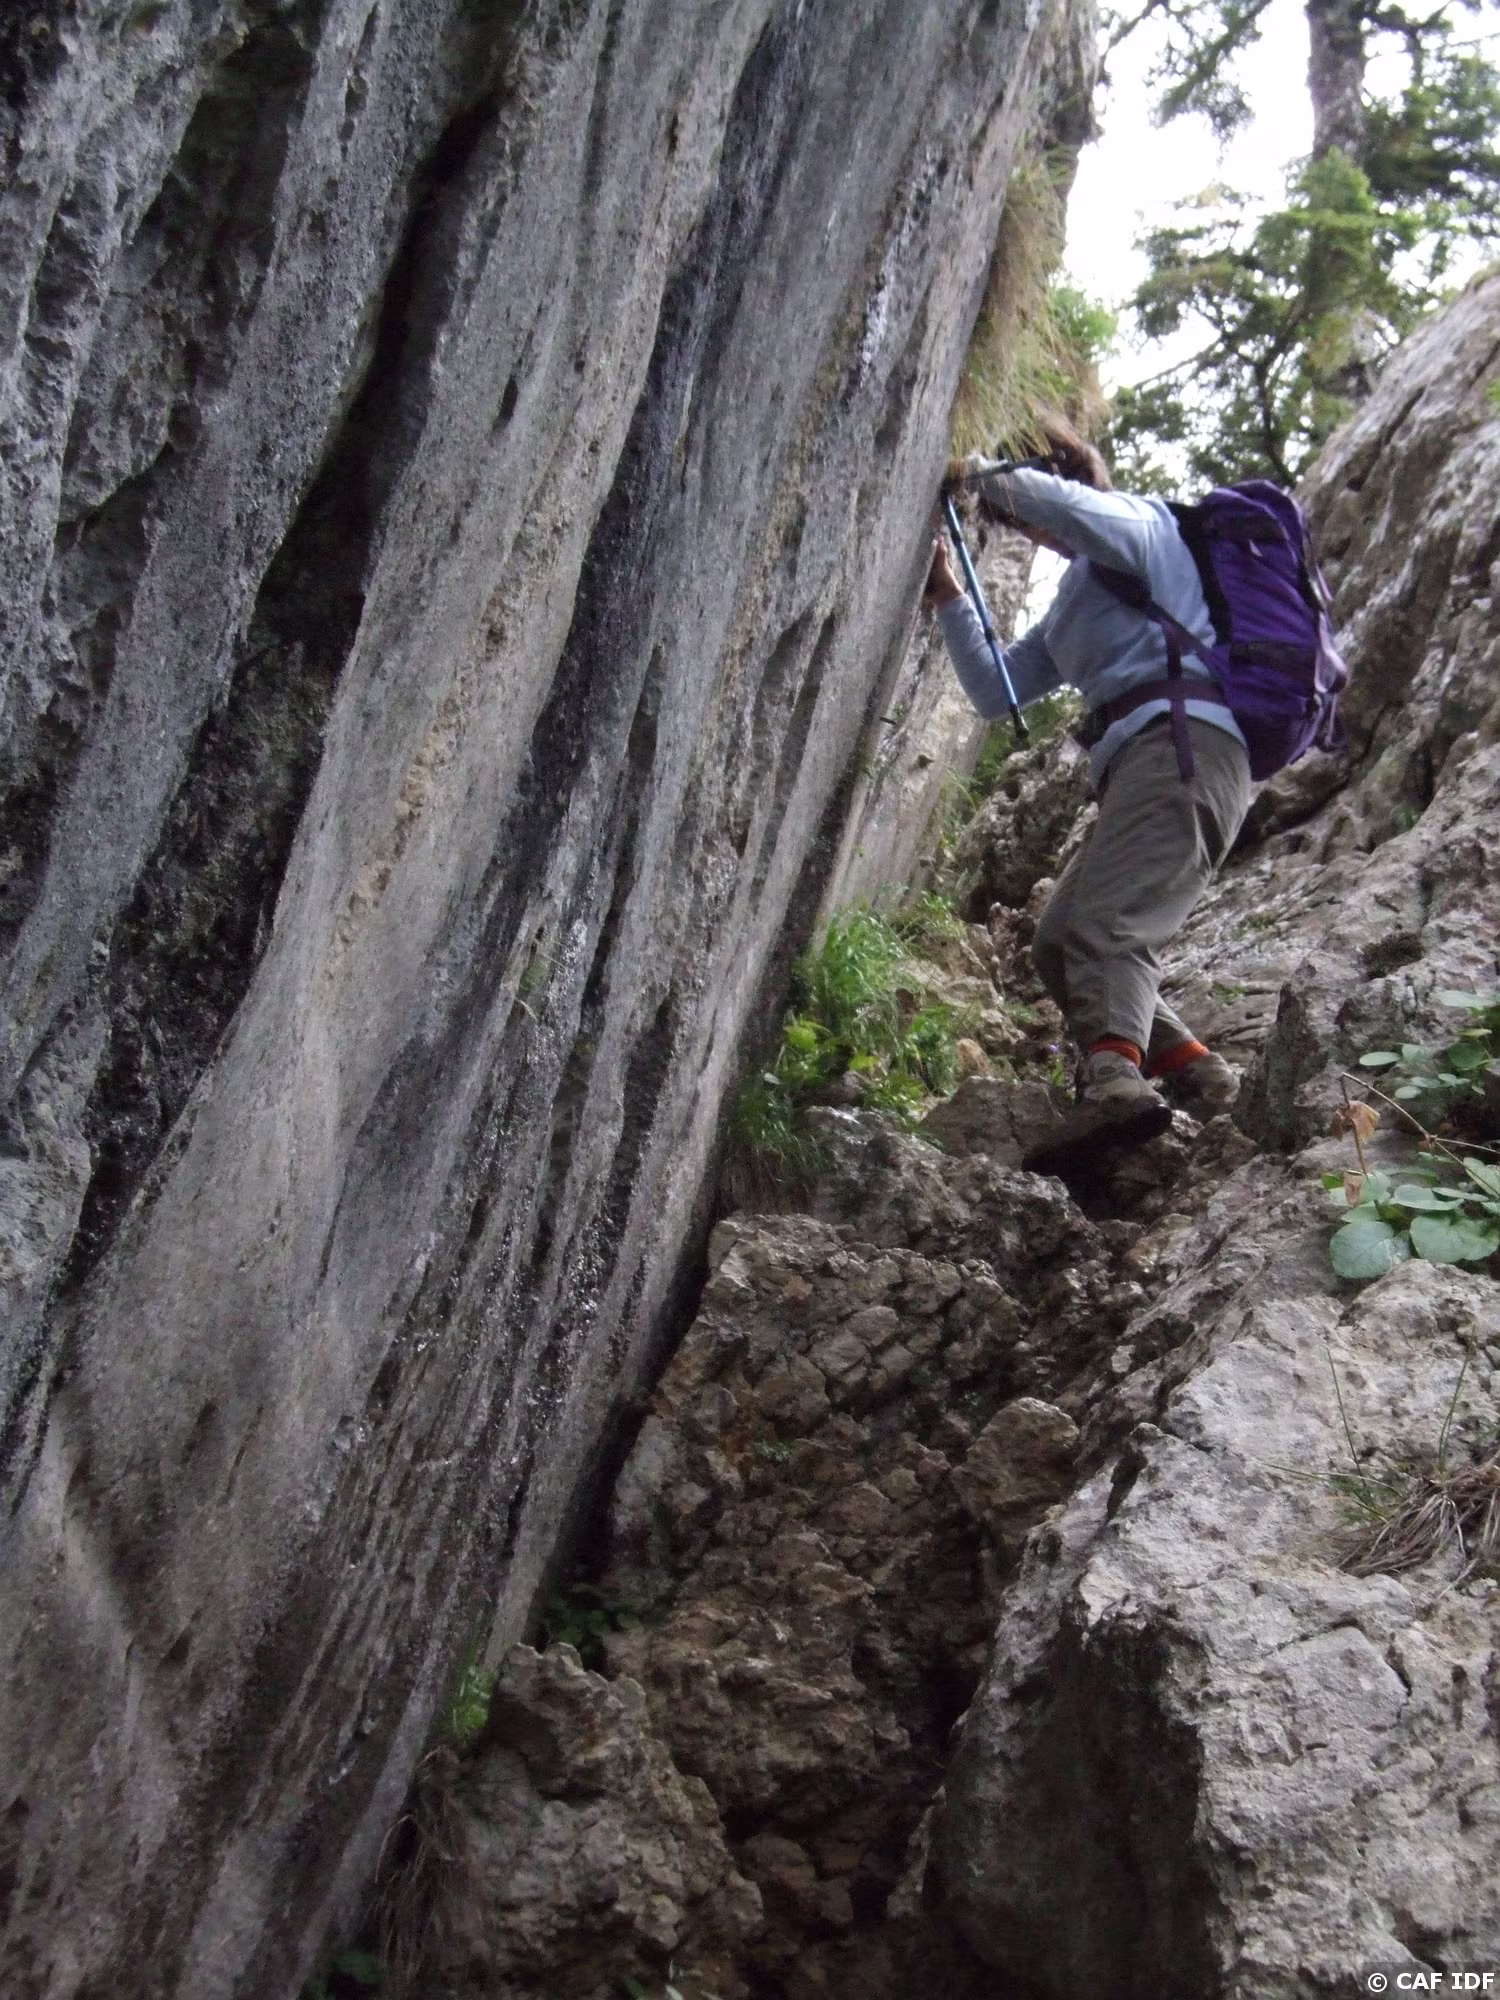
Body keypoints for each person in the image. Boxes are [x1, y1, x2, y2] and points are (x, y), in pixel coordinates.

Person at [927, 418, 1251, 1176]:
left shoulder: (1144, 529)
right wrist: (948, 596)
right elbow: (998, 688)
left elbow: (1064, 505)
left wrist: (973, 466)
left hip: (1186, 748)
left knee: (1110, 927)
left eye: (1023, 512)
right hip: (1148, 761)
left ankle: (1114, 1083)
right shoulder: (1076, 598)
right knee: (1058, 942)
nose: (1028, 530)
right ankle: (1199, 1074)